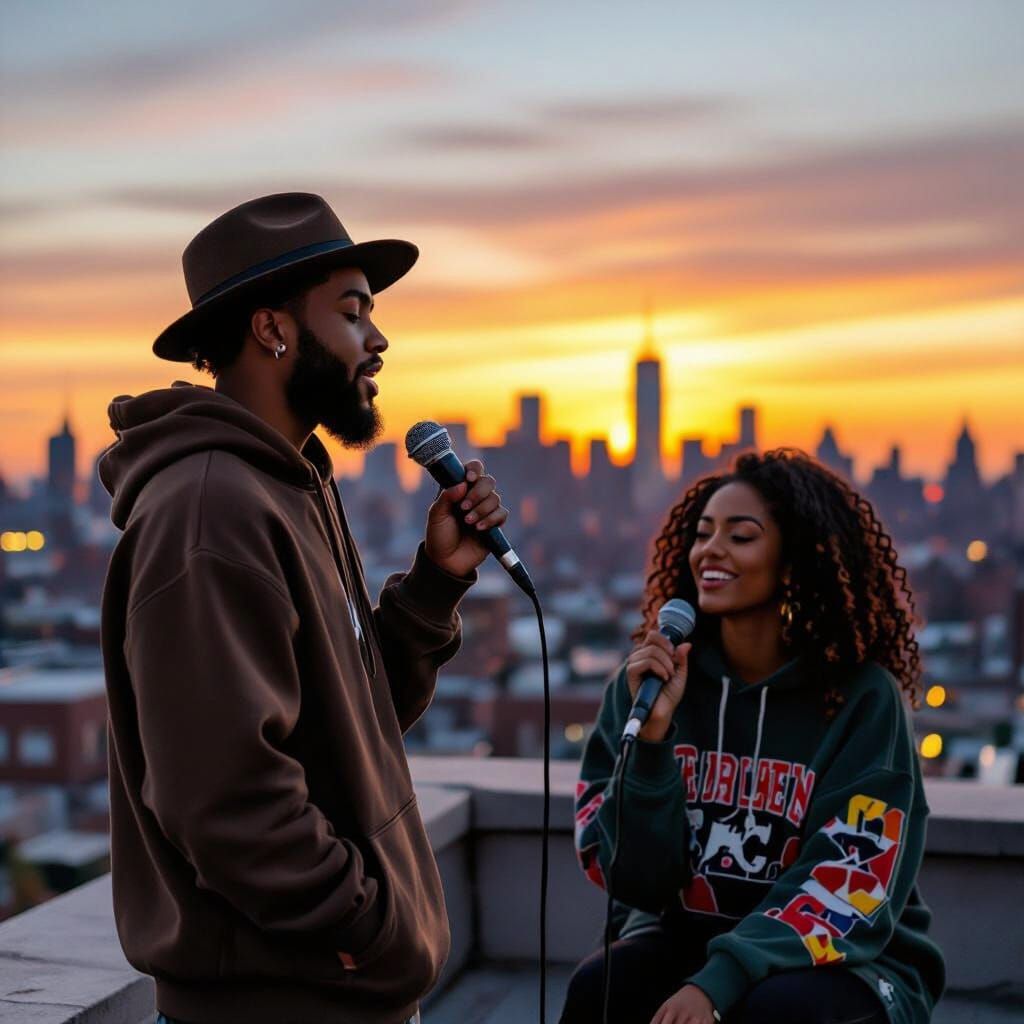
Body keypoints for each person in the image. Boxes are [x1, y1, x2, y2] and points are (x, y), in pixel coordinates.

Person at [99, 193, 508, 1024]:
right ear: (272, 329)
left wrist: (434, 582)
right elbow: (226, 803)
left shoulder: (290, 486)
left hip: (336, 993)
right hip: (285, 1003)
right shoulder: (210, 509)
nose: (379, 339)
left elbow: (354, 720)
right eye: (353, 311)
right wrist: (366, 932)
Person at [563, 449, 945, 1024]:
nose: (709, 550)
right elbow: (631, 880)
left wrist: (721, 980)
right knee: (601, 986)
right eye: (702, 533)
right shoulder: (649, 683)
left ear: (794, 561)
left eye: (740, 536)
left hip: (847, 958)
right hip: (684, 935)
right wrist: (652, 746)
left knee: (777, 1011)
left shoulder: (862, 699)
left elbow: (851, 882)